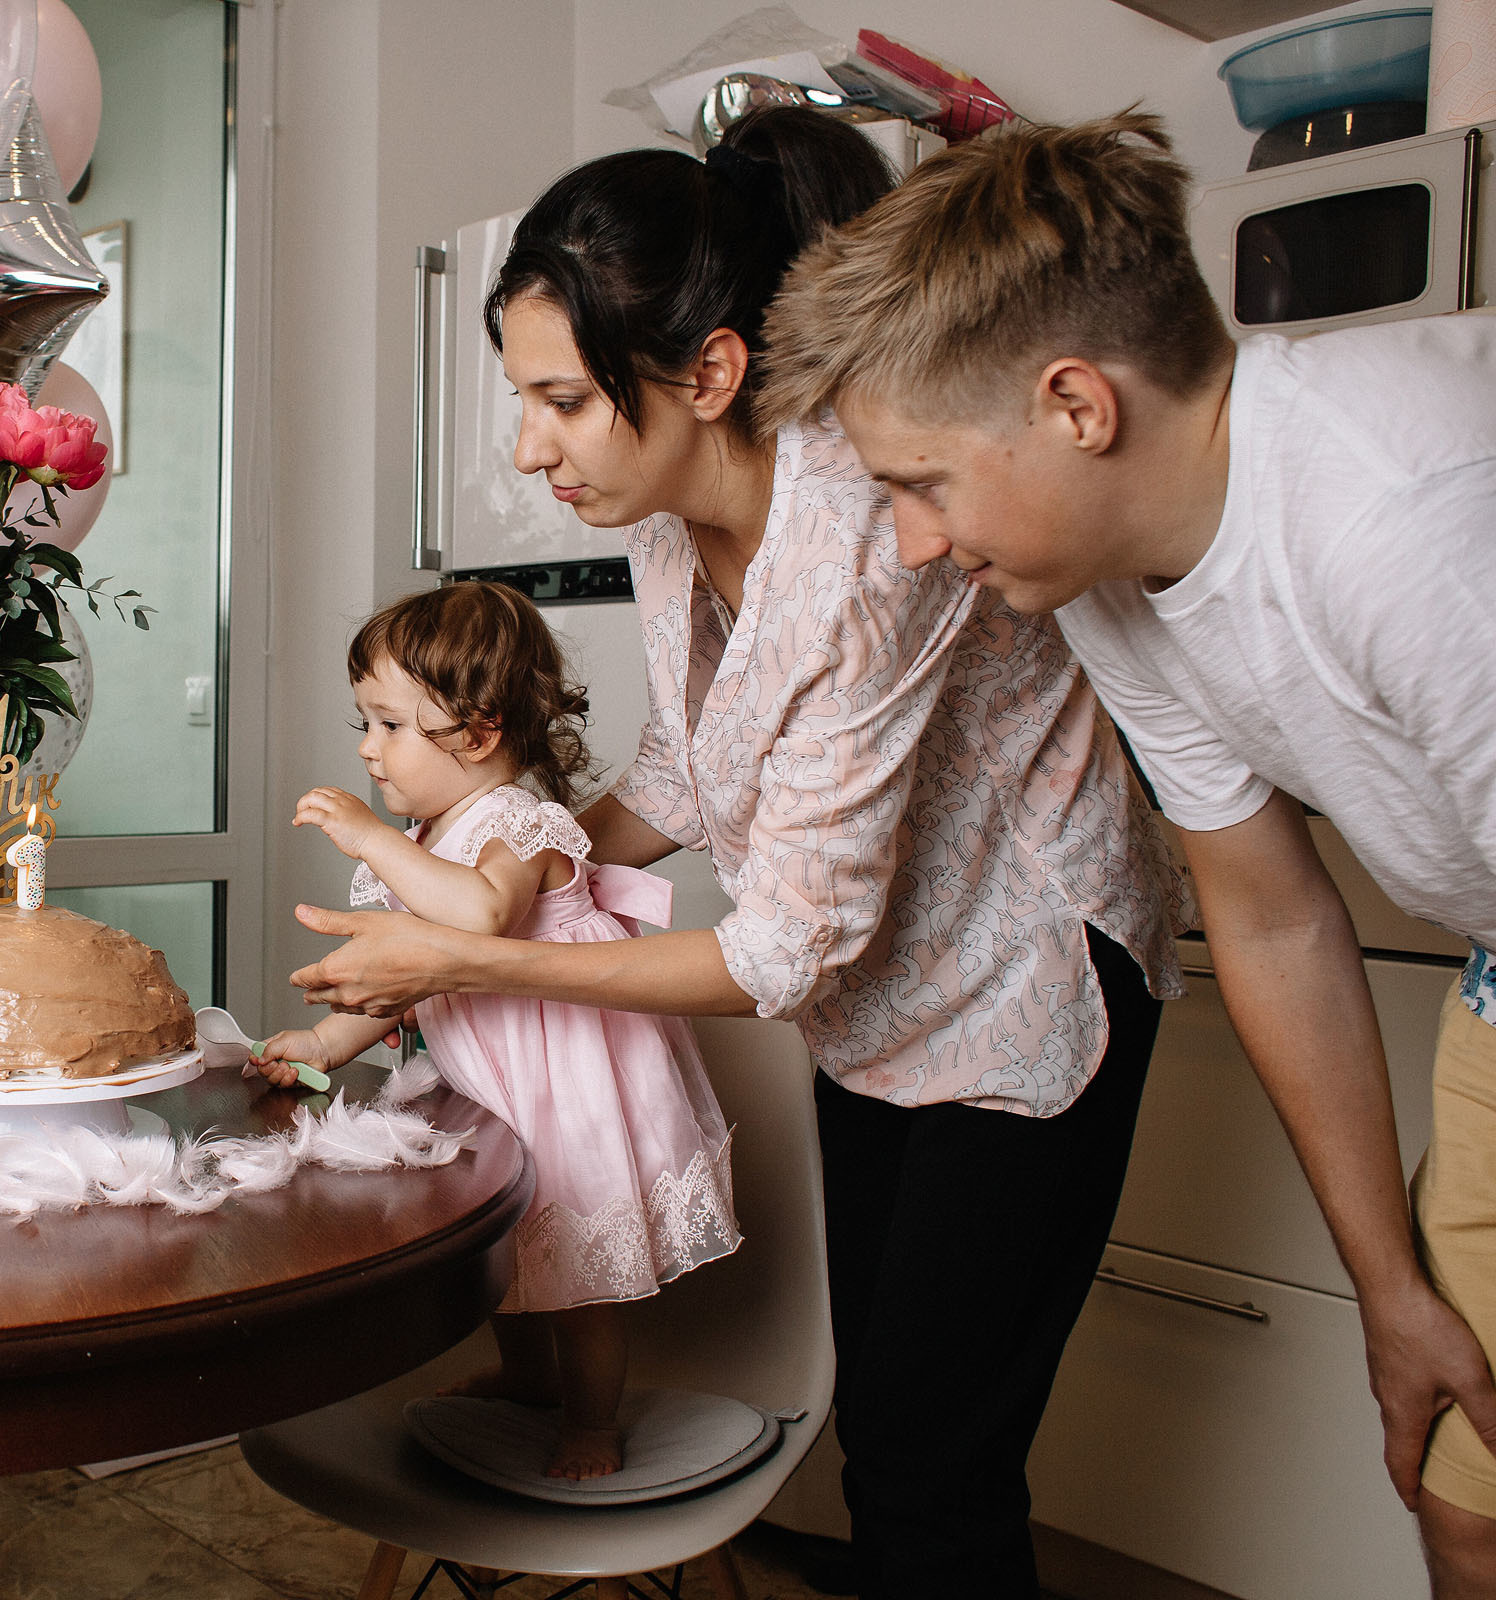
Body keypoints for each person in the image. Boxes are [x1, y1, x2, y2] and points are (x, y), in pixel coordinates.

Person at [288, 107, 1191, 1599]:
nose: (530, 449)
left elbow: (781, 950)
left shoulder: (861, 547)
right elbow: (686, 768)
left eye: (565, 401)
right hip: (881, 1007)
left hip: (1036, 990)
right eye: (522, 399)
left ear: (707, 374)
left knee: (928, 1467)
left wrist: (470, 951)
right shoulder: (661, 516)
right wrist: (517, 858)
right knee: (891, 1440)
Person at [757, 110, 1496, 1595]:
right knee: (1465, 1485)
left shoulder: (1403, 530)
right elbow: (1272, 917)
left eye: (922, 482)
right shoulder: (1110, 576)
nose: (907, 544)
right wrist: (1389, 1287)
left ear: (1077, 405)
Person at [255, 580, 738, 1481]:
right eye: (365, 722)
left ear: (477, 734)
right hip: (494, 1096)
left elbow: (474, 921)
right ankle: (528, 1385)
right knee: (512, 1255)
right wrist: (325, 1043)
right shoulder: (435, 832)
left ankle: (591, 1421)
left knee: (581, 1277)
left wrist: (370, 841)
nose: (368, 750)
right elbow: (415, 970)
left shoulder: (522, 821)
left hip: (568, 1092)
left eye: (390, 725)